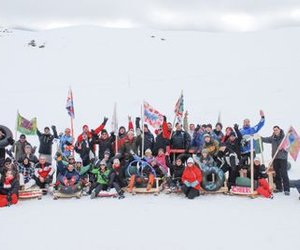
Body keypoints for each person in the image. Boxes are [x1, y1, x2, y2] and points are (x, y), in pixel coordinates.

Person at [262, 126, 290, 195]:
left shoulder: (285, 138)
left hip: (283, 158)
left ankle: (287, 189)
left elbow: (289, 147)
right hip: (275, 158)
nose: (275, 131)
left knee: (284, 173)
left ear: (279, 130)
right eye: (274, 130)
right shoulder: (273, 138)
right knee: (277, 173)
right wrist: (260, 137)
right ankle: (279, 188)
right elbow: (266, 139)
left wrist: (283, 148)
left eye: (276, 130)